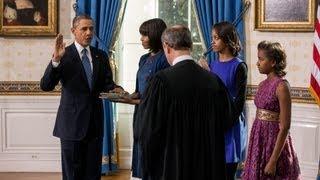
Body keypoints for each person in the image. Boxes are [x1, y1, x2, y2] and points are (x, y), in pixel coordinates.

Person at [136, 25, 238, 180]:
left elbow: (148, 130)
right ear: (190, 45)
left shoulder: (161, 81)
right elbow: (228, 119)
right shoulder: (213, 81)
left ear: (167, 47)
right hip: (207, 166)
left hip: (172, 165)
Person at [40, 15, 123, 180]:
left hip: (94, 125)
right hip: (71, 126)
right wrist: (55, 60)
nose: (89, 32)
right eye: (84, 29)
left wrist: (118, 90)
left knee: (93, 174)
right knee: (72, 175)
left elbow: (107, 84)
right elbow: (46, 85)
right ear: (73, 31)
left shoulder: (101, 55)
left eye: (91, 28)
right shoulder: (63, 55)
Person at [242, 41, 300, 179]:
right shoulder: (262, 84)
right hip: (259, 139)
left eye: (261, 59)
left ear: (273, 62)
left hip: (273, 143)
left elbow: (285, 126)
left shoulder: (281, 86)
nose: (258, 63)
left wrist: (273, 160)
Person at [198, 21, 247, 180]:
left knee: (227, 171)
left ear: (228, 40)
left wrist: (223, 123)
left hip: (230, 122)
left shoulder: (239, 66)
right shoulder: (212, 65)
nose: (212, 41)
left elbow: (239, 102)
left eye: (216, 38)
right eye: (212, 37)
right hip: (212, 122)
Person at [128, 18, 170, 180]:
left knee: (154, 157)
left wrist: (131, 100)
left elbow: (161, 94)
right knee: (141, 150)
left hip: (156, 114)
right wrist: (125, 96)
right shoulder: (143, 59)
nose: (142, 39)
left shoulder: (165, 59)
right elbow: (139, 91)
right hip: (141, 112)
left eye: (145, 35)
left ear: (155, 35)